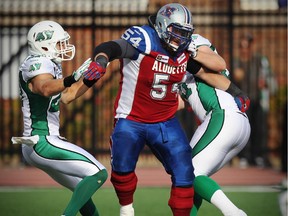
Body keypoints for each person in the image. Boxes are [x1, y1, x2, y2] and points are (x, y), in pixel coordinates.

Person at [85, 3, 250, 216]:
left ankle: (233, 212)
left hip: (217, 117)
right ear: (163, 26)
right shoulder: (145, 39)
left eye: (185, 34)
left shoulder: (189, 49)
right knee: (186, 176)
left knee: (191, 173)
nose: (181, 38)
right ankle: (127, 210)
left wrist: (238, 92)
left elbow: (212, 68)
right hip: (137, 119)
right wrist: (101, 61)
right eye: (177, 32)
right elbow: (113, 47)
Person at [11, 20, 107, 216]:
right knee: (98, 173)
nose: (64, 47)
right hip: (42, 141)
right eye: (59, 43)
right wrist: (72, 77)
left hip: (42, 142)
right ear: (43, 44)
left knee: (82, 190)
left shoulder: (49, 64)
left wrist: (89, 78)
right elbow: (45, 88)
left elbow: (67, 96)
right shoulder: (37, 62)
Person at [179, 34, 251, 216]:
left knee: (189, 172)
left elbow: (219, 64)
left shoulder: (192, 42)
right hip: (232, 121)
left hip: (222, 115)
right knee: (190, 181)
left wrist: (190, 52)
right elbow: (178, 103)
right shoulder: (170, 62)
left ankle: (234, 213)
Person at [232, 33, 278, 168]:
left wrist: (266, 84)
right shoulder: (236, 62)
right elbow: (229, 82)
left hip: (258, 99)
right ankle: (244, 157)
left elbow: (270, 79)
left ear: (252, 47)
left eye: (247, 46)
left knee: (260, 128)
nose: (244, 50)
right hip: (243, 101)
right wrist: (236, 77)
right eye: (242, 47)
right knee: (245, 129)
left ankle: (259, 156)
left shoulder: (259, 61)